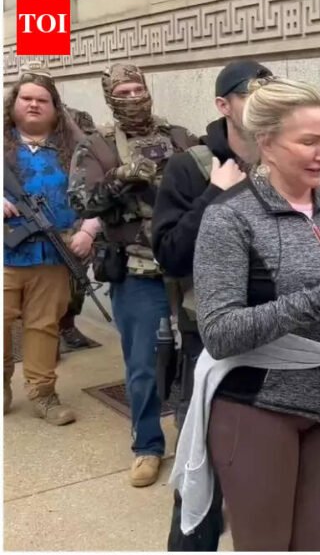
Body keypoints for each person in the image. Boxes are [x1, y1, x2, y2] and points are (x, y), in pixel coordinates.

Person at [171, 77, 320, 551]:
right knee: (265, 544)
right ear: (266, 142)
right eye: (308, 141)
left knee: (318, 542)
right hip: (259, 409)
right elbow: (219, 332)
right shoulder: (230, 217)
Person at [152, 59, 274, 551]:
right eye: (252, 94)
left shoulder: (284, 159)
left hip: (276, 336)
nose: (264, 103)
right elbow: (170, 253)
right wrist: (212, 196)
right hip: (212, 339)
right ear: (224, 105)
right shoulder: (192, 166)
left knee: (267, 470)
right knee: (203, 466)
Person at [68, 63, 200, 488]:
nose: (132, 96)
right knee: (143, 364)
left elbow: (214, 179)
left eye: (137, 87)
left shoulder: (180, 137)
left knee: (199, 359)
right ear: (110, 97)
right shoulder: (97, 146)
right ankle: (147, 445)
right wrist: (120, 178)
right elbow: (82, 202)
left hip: (188, 267)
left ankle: (197, 441)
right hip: (137, 271)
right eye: (121, 90)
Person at [3, 67, 96, 424]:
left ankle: (43, 394)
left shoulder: (72, 149)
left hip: (53, 253)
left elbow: (96, 195)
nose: (34, 104)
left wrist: (88, 230)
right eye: (26, 98)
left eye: (42, 100)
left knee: (44, 325)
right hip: (7, 254)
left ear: (56, 109)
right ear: (14, 104)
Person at [58, 104, 101, 353]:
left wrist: (64, 118)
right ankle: (46, 333)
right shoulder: (16, 116)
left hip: (74, 205)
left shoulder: (78, 116)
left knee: (77, 275)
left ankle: (67, 325)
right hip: (36, 204)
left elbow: (92, 146)